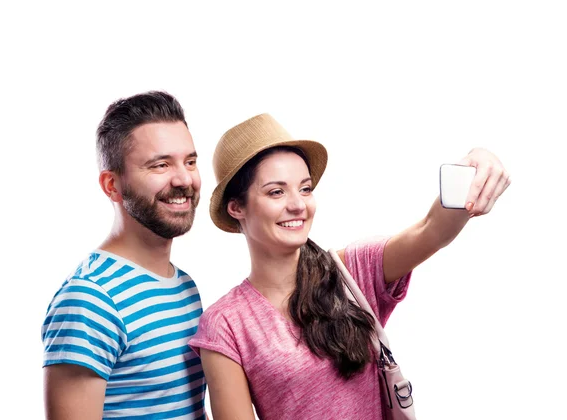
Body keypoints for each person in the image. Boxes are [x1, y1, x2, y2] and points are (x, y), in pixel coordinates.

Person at [188, 113, 510, 420]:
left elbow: (431, 230)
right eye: (276, 191)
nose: (298, 205)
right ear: (236, 207)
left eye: (305, 188)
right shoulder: (225, 325)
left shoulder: (354, 272)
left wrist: (474, 165)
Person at [41, 91, 207, 419]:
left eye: (189, 161)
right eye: (160, 165)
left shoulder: (184, 285)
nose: (184, 178)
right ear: (112, 186)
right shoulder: (90, 299)